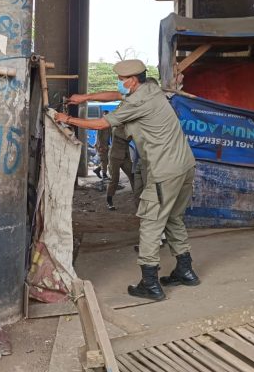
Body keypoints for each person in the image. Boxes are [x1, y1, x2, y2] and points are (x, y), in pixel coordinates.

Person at [55, 59, 200, 301]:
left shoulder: (137, 102)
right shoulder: (151, 87)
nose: (119, 84)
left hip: (165, 171)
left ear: (133, 81)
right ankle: (185, 270)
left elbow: (102, 123)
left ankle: (150, 283)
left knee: (151, 222)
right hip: (185, 166)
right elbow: (116, 94)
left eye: (122, 80)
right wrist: (85, 97)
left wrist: (65, 119)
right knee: (173, 217)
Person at [106, 125, 133, 210]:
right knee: (114, 180)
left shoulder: (127, 128)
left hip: (125, 157)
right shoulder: (115, 129)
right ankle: (109, 201)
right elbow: (128, 138)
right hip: (115, 157)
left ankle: (139, 199)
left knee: (133, 176)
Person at [93, 113, 111, 181]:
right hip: (101, 145)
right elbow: (98, 136)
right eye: (105, 115)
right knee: (104, 160)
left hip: (106, 145)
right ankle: (104, 175)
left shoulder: (108, 125)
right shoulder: (101, 125)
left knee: (107, 160)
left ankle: (98, 170)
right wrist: (100, 146)